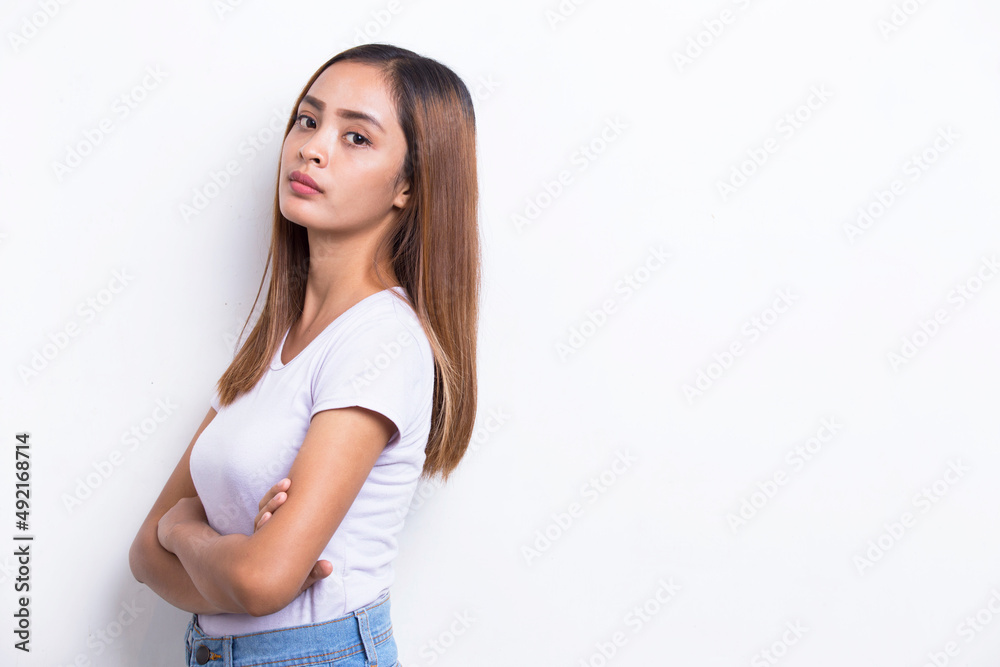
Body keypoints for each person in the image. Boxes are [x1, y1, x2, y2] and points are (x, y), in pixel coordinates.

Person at [128, 43, 480, 667]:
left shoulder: (379, 341)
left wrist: (184, 531)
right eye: (308, 120)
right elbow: (144, 557)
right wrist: (233, 562)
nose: (312, 148)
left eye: (356, 137)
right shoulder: (275, 340)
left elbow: (260, 581)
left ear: (408, 185)